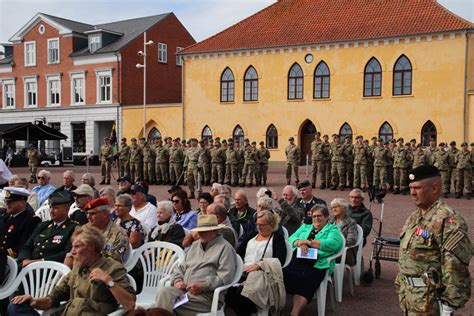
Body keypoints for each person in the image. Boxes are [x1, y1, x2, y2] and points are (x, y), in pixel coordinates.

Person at [9, 225, 136, 315]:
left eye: (77, 247)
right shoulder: (77, 269)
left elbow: (130, 304)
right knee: (16, 306)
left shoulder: (113, 268)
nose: (73, 252)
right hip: (66, 312)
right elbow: (52, 299)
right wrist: (34, 301)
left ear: (91, 247)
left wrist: (109, 281)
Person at [396, 165, 471, 315]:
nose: (412, 192)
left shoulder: (448, 219)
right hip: (410, 295)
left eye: (417, 188)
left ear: (434, 188)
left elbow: (455, 265)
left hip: (431, 301)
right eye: (411, 188)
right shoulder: (415, 216)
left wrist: (449, 304)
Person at [154, 214, 237, 315]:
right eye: (199, 230)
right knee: (164, 293)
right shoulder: (195, 245)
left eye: (204, 231)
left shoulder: (225, 248)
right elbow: (180, 267)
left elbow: (226, 277)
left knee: (165, 307)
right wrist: (177, 280)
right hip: (184, 291)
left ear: (215, 231)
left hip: (205, 297)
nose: (200, 233)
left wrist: (203, 286)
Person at [284, 204, 343, 316]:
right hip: (298, 258)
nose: (316, 218)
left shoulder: (332, 229)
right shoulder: (305, 227)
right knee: (284, 273)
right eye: (314, 216)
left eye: (319, 216)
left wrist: (309, 243)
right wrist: (300, 243)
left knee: (305, 280)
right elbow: (291, 238)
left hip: (318, 263)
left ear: (326, 217)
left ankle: (294, 313)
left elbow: (334, 244)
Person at [226, 210, 287, 315]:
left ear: (271, 225)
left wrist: (259, 264)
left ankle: (248, 310)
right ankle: (248, 310)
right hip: (243, 272)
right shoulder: (252, 235)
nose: (258, 227)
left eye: (262, 225)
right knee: (226, 291)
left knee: (244, 295)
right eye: (257, 224)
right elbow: (238, 253)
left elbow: (280, 260)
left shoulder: (277, 238)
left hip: (262, 275)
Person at [17, 190, 77, 267]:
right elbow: (27, 246)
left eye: (56, 208)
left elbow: (66, 253)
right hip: (29, 266)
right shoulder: (42, 226)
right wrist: (25, 259)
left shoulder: (73, 228)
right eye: (50, 207)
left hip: (52, 269)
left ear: (66, 210)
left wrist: (39, 261)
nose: (51, 211)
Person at [70, 198, 129, 265]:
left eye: (92, 213)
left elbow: (116, 260)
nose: (88, 217)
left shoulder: (119, 234)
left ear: (105, 214)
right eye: (87, 213)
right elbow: (71, 254)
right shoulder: (84, 229)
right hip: (80, 269)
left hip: (105, 271)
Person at [0, 187, 41, 259]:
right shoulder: (4, 217)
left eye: (10, 202)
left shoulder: (31, 220)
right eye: (6, 202)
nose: (7, 204)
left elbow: (23, 246)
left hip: (10, 259)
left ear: (22, 203)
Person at [328, 198, 358, 265]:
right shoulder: (330, 220)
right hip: (329, 248)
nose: (334, 209)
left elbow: (351, 240)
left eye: (336, 207)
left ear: (344, 208)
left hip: (342, 251)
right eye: (332, 207)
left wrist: (335, 244)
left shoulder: (351, 223)